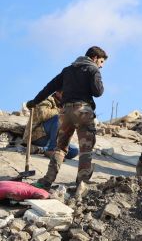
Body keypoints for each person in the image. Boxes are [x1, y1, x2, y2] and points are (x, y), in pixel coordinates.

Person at [26, 46, 107, 189]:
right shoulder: (93, 69)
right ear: (94, 57)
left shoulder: (68, 70)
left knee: (60, 147)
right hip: (83, 111)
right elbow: (98, 92)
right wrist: (97, 77)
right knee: (85, 148)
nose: (101, 66)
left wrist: (34, 102)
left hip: (65, 112)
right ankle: (82, 183)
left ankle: (47, 181)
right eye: (101, 62)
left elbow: (49, 87)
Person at [22, 91, 79, 160]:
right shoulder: (47, 99)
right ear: (58, 92)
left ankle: (43, 149)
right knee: (59, 118)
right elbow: (42, 114)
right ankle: (51, 150)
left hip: (52, 139)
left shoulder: (63, 104)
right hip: (37, 136)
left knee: (74, 151)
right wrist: (60, 111)